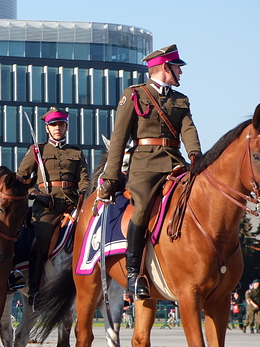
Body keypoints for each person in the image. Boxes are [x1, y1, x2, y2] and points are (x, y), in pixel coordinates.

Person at [98, 44, 202, 299]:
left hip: (175, 162)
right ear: (166, 68)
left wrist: (196, 156)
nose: (181, 72)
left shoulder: (180, 100)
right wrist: (111, 177)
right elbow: (119, 139)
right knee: (143, 207)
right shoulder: (134, 95)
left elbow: (188, 129)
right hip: (144, 166)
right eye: (178, 67)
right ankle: (134, 273)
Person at [17, 107, 90, 307]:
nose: (57, 128)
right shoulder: (37, 151)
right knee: (41, 241)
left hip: (73, 205)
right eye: (53, 125)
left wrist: (84, 194)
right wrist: (38, 195)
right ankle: (34, 291)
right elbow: (21, 181)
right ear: (47, 128)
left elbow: (85, 180)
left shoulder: (76, 152)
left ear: (66, 126)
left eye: (61, 124)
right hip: (47, 207)